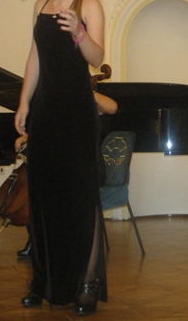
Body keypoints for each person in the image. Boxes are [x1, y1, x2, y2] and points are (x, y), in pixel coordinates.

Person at [15, 0, 107, 316]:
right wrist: (24, 102)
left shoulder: (89, 5)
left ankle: (87, 283)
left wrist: (79, 32)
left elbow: (97, 58)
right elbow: (35, 57)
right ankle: (43, 281)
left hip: (76, 116)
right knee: (43, 198)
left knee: (80, 198)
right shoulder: (41, 5)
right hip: (45, 113)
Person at [14, 91, 117, 259]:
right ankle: (37, 240)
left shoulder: (89, 102)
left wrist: (86, 88)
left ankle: (68, 244)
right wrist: (28, 135)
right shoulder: (61, 105)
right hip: (65, 167)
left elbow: (112, 107)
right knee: (38, 188)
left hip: (87, 168)